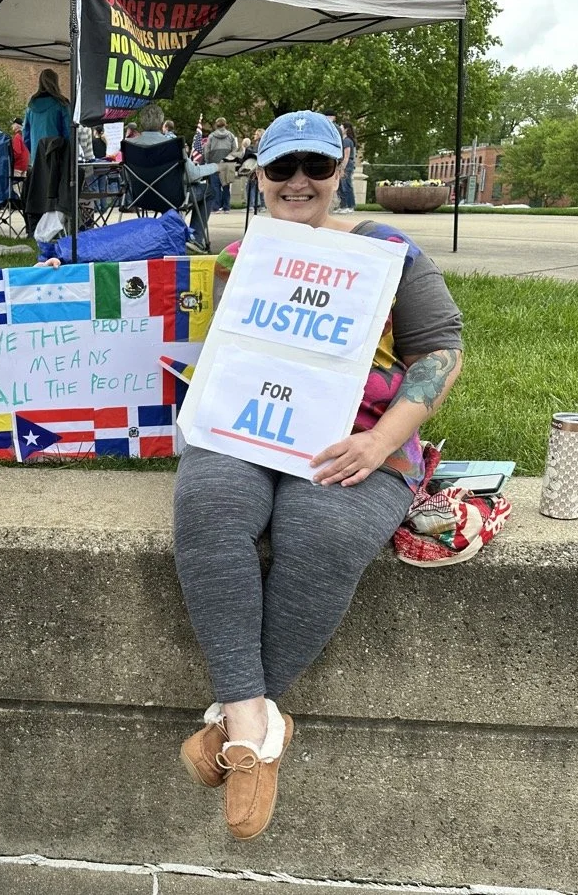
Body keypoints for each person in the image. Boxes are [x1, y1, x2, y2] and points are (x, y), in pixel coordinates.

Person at [173, 110, 463, 841]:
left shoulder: (390, 251)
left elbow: (440, 353)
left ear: (341, 171)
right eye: (282, 168)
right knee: (210, 510)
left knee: (323, 529)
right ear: (259, 176)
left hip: (360, 438)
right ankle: (256, 724)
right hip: (249, 430)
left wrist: (380, 445)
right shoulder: (242, 255)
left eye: (316, 167)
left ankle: (238, 729)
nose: (299, 182)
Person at [125, 102, 218, 251]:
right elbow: (192, 175)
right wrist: (215, 166)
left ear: (141, 123)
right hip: (172, 197)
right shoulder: (171, 145)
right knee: (209, 191)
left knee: (168, 191)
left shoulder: (129, 145)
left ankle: (169, 233)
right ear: (162, 123)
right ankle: (195, 238)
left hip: (140, 197)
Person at [22, 69, 70, 166]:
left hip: (36, 158)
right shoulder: (61, 104)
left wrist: (35, 152)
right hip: (57, 157)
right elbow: (68, 132)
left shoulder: (30, 106)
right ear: (56, 82)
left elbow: (26, 136)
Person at [203, 117, 238, 213]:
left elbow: (207, 150)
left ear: (216, 125)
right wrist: (229, 159)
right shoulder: (230, 135)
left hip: (214, 164)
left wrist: (207, 161)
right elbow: (235, 150)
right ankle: (226, 207)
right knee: (226, 187)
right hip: (227, 164)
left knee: (215, 187)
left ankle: (216, 207)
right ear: (225, 124)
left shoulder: (211, 136)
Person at [336, 121, 358, 213]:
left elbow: (347, 155)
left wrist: (342, 168)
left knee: (346, 185)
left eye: (341, 127)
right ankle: (343, 206)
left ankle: (350, 206)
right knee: (340, 186)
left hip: (347, 164)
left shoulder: (347, 141)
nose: (340, 128)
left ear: (346, 129)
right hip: (343, 164)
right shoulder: (343, 140)